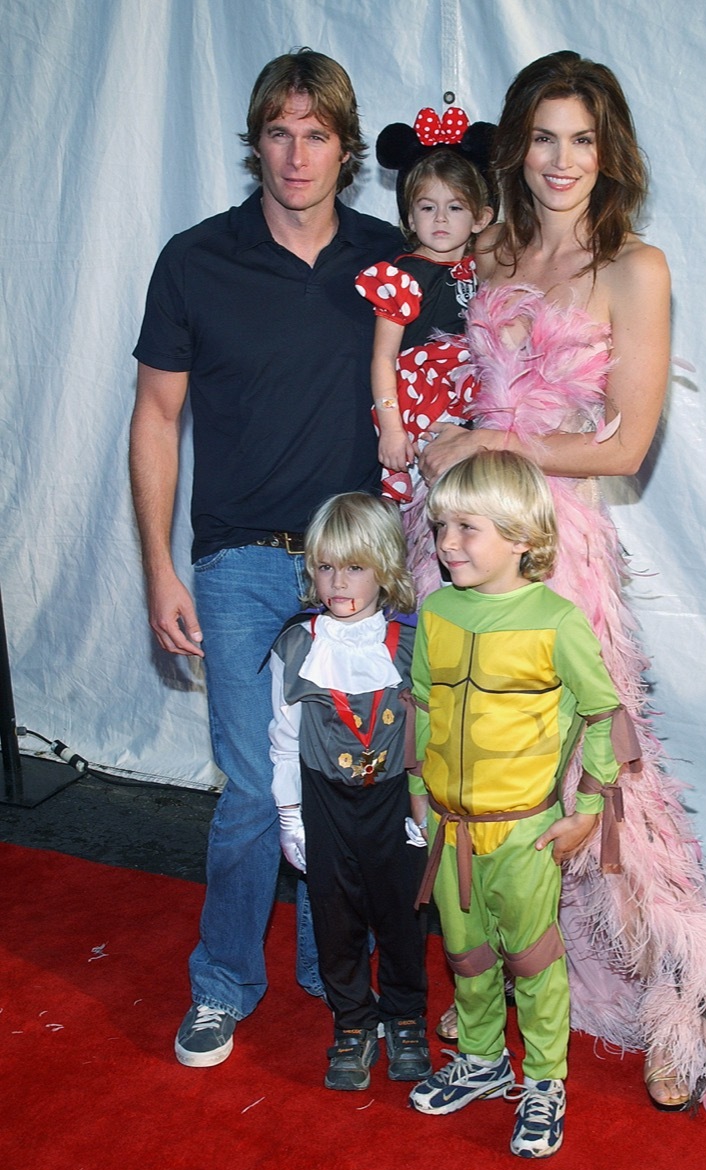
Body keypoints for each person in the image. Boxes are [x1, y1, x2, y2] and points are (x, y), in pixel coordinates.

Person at [415, 50, 706, 1136]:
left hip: (559, 551)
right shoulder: (488, 247)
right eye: (543, 136)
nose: (561, 159)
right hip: (456, 538)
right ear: (516, 144)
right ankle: (516, 992)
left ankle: (691, 1015)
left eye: (582, 138)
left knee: (608, 781)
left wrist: (497, 436)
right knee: (484, 770)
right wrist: (440, 436)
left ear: (610, 150)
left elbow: (628, 443)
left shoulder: (637, 266)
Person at [129, 47, 403, 1068]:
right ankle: (222, 980)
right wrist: (158, 565)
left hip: (359, 572)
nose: (297, 154)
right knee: (252, 789)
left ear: (344, 147)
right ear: (257, 144)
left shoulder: (389, 260)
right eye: (280, 133)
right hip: (238, 562)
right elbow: (157, 418)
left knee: (354, 781)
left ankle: (331, 967)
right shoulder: (195, 259)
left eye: (317, 133)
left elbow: (461, 360)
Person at [408, 450, 640, 1159]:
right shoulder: (436, 611)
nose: (448, 542)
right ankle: (481, 1061)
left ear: (522, 538)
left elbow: (608, 717)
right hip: (450, 833)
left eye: (467, 527)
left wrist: (591, 814)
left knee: (535, 961)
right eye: (442, 525)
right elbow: (420, 704)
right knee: (467, 955)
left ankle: (544, 1080)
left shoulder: (557, 622)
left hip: (527, 835)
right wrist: (417, 794)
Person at [268, 492, 429, 1090]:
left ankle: (406, 1017)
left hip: (394, 803)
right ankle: (354, 1022)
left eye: (355, 566)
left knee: (403, 917)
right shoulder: (297, 644)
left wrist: (427, 804)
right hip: (324, 802)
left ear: (385, 568)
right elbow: (283, 740)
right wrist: (291, 818)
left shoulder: (410, 643)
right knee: (335, 920)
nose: (338, 580)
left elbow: (430, 731)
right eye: (326, 565)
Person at [355, 141, 493, 505]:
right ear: (411, 219)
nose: (441, 219)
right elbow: (383, 357)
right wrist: (390, 429)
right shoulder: (404, 275)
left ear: (481, 217)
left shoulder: (485, 270)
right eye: (428, 207)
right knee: (428, 503)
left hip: (472, 399)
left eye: (455, 207)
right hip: (421, 401)